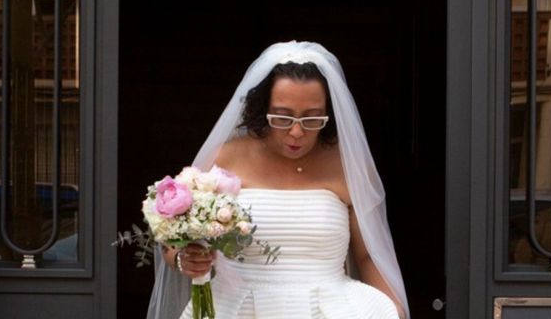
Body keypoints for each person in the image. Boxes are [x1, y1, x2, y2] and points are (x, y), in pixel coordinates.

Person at [146, 41, 409, 319]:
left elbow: (368, 255)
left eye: (311, 119)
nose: (296, 132)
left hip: (332, 308)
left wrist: (396, 310)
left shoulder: (347, 166)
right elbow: (176, 237)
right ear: (262, 109)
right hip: (235, 309)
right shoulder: (225, 157)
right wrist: (183, 258)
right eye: (283, 118)